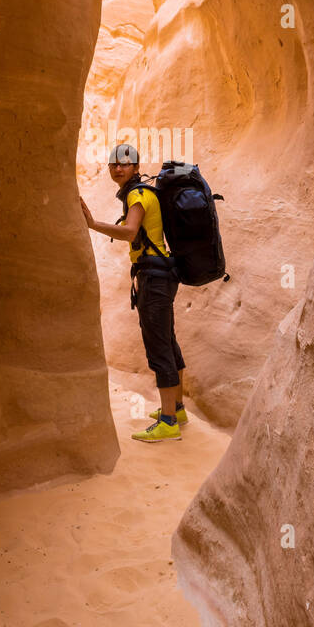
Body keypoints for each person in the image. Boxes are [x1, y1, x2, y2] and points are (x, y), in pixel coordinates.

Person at [80, 143, 187, 443]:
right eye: (114, 164)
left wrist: (92, 224)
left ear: (136, 168)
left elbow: (129, 231)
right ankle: (177, 409)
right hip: (163, 274)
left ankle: (168, 421)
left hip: (154, 276)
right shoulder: (145, 191)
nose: (118, 168)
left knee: (158, 346)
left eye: (125, 164)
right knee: (168, 340)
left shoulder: (137, 194)